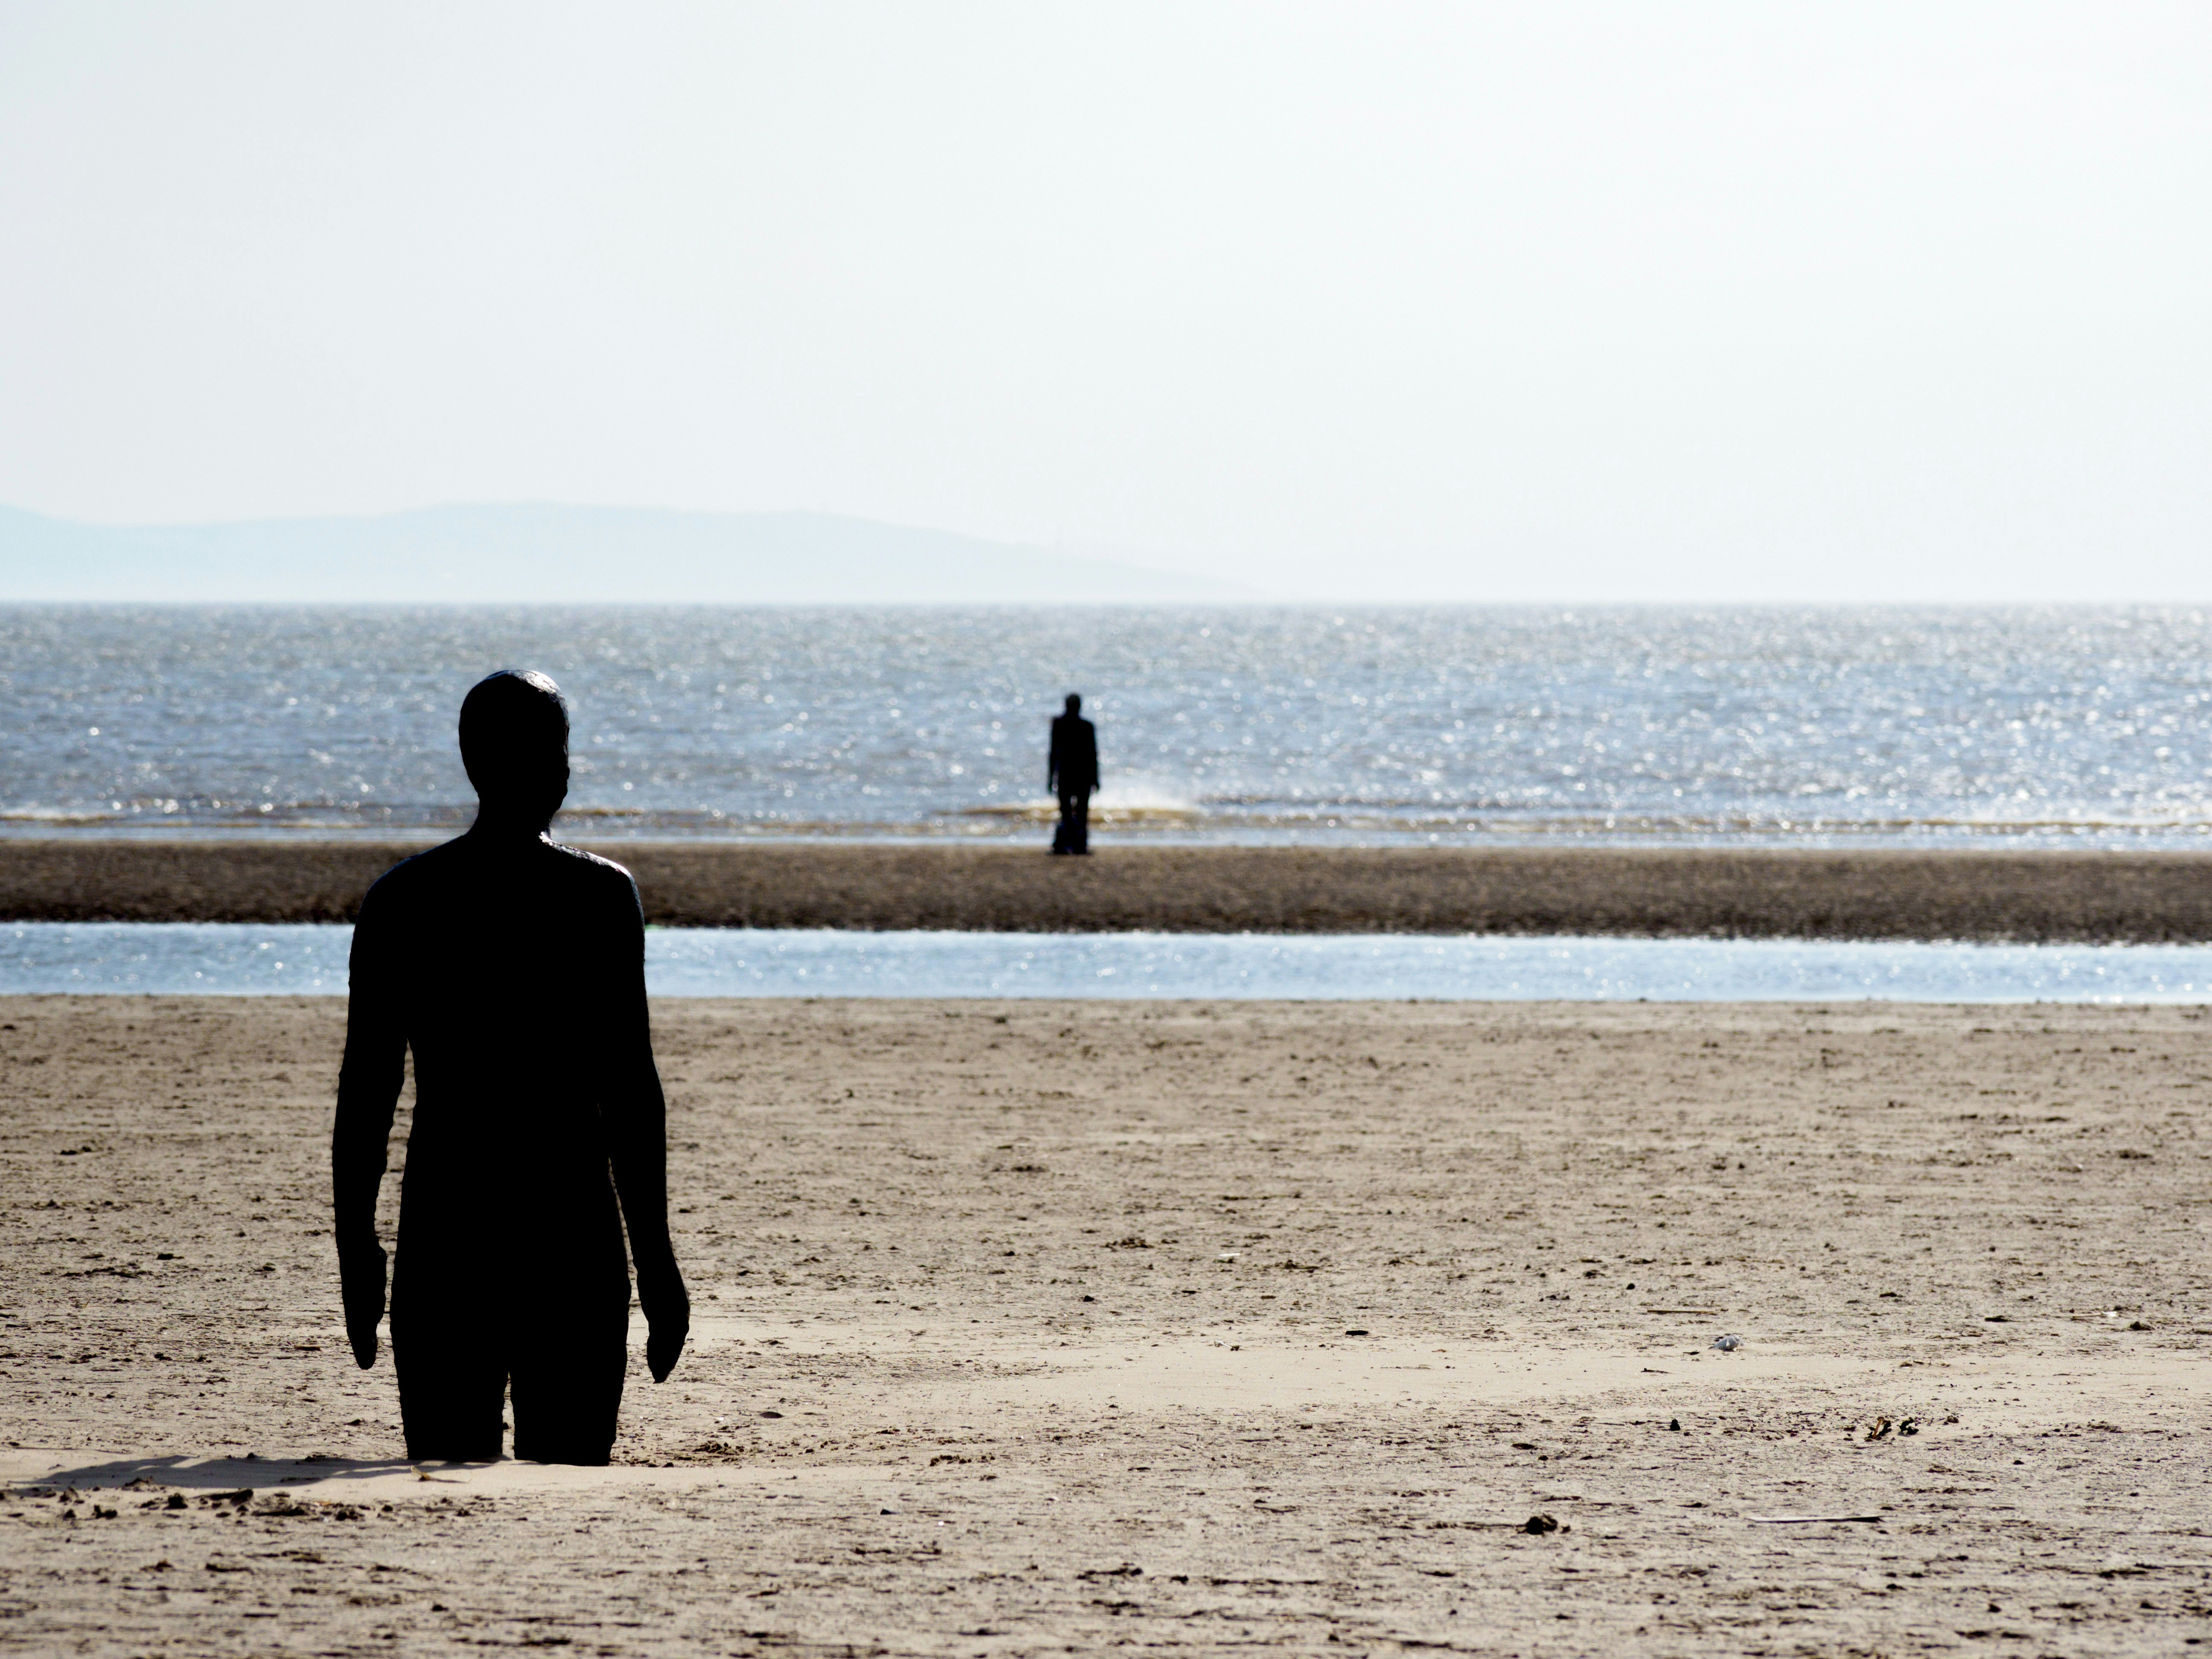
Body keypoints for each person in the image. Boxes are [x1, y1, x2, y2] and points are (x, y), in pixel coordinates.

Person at [332, 669, 688, 1466]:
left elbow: (368, 1094)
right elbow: (629, 1088)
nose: (563, 768)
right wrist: (656, 1262)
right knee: (533, 1471)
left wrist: (357, 1246)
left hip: (454, 1231)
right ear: (494, 761)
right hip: (561, 1235)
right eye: (551, 749)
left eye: (560, 748)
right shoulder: (596, 896)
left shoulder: (405, 897)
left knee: (464, 1467)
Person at [1047, 692, 1100, 855]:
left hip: (1065, 774)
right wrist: (1096, 778)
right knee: (1082, 812)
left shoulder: (1059, 724)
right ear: (1080, 707)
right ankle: (1080, 845)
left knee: (1066, 812)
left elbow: (1053, 753)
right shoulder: (1087, 726)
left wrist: (1051, 778)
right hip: (1083, 775)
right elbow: (1093, 755)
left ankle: (1065, 844)